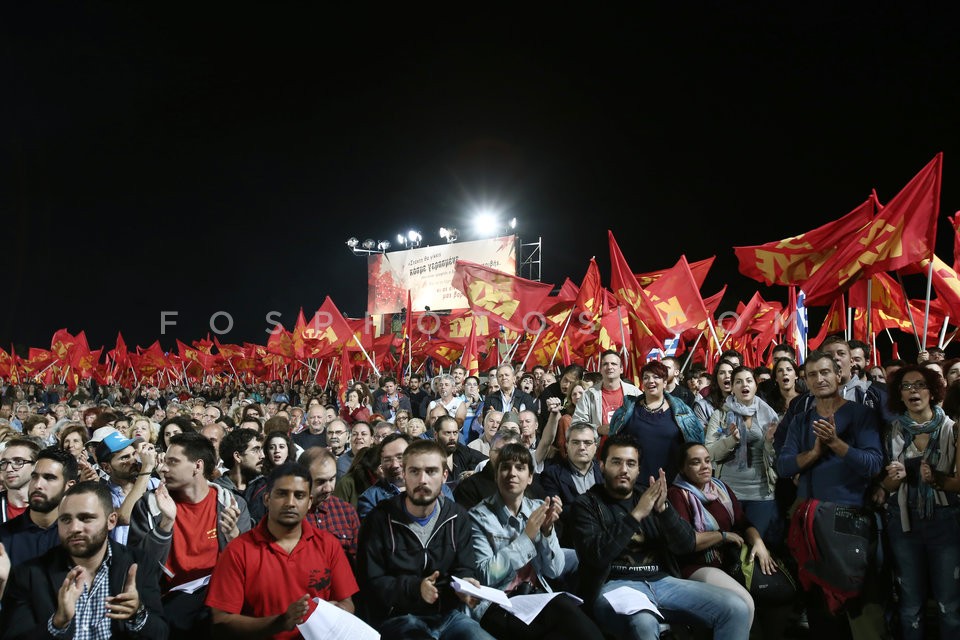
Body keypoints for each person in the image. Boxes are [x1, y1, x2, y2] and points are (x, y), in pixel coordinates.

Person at [571, 433, 751, 639]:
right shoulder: (586, 505)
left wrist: (664, 510)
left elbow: (686, 544)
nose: (623, 470)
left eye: (631, 464)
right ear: (601, 466)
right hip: (616, 586)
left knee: (737, 608)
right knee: (644, 624)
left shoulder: (651, 495)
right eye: (616, 462)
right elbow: (594, 556)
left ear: (638, 469)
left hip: (663, 581)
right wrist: (636, 514)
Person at [777, 349, 884, 638]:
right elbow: (784, 466)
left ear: (839, 375)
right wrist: (814, 452)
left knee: (860, 604)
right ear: (806, 382)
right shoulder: (801, 420)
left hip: (850, 520)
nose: (819, 379)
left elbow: (873, 465)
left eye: (825, 372)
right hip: (809, 520)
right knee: (819, 604)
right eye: (812, 375)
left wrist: (836, 443)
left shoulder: (861, 415)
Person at [357, 439, 495, 639]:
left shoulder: (457, 517)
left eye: (431, 471)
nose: (422, 479)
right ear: (404, 474)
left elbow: (464, 566)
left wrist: (465, 584)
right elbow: (371, 582)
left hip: (447, 616)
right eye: (414, 471)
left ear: (444, 475)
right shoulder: (378, 520)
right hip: (398, 617)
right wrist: (415, 589)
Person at [206, 463, 358, 640]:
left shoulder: (328, 544)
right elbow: (221, 621)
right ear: (266, 499)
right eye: (282, 494)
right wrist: (280, 622)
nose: (290, 503)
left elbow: (346, 602)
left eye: (299, 496)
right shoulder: (238, 551)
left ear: (309, 502)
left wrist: (337, 613)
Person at [468, 443, 604, 640]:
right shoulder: (478, 517)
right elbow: (485, 575)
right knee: (564, 615)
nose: (512, 473)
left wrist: (548, 533)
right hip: (497, 603)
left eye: (520, 468)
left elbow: (554, 570)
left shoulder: (538, 508)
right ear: (496, 475)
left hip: (535, 597)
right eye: (505, 467)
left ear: (530, 477)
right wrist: (527, 538)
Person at [0, 481, 169, 639]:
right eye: (65, 519)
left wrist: (137, 614)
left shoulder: (138, 563)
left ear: (111, 521)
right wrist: (57, 623)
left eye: (86, 518)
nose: (74, 528)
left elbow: (161, 633)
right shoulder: (29, 573)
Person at [128, 431, 252, 637]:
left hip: (218, 598)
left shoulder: (231, 504)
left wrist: (234, 537)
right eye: (164, 461)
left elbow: (249, 567)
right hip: (168, 602)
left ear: (198, 466)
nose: (163, 468)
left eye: (173, 462)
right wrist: (165, 525)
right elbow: (140, 569)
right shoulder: (150, 505)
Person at [668, 443, 789, 638]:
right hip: (697, 564)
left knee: (778, 593)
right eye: (695, 463)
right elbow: (687, 541)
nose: (705, 466)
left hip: (730, 561)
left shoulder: (719, 487)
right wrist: (722, 536)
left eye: (707, 461)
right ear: (682, 468)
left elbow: (742, 522)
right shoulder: (677, 494)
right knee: (743, 602)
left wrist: (759, 543)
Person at [879, 365, 960, 639]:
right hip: (904, 524)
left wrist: (937, 479)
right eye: (906, 386)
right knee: (910, 604)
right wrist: (896, 478)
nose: (914, 390)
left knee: (950, 604)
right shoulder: (892, 432)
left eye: (920, 385)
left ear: (934, 391)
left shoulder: (953, 429)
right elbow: (886, 486)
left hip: (946, 522)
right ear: (898, 395)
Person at [704, 366, 780, 542]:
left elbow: (775, 458)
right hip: (727, 493)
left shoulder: (769, 415)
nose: (744, 385)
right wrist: (731, 440)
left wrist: (769, 441)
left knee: (756, 545)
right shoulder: (720, 415)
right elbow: (709, 453)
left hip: (761, 493)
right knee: (731, 547)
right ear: (732, 387)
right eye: (738, 381)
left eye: (748, 380)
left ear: (755, 386)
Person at [609, 360, 703, 482]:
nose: (650, 381)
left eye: (656, 377)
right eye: (646, 377)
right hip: (633, 482)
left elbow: (696, 445)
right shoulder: (628, 409)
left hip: (672, 483)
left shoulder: (683, 411)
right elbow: (614, 442)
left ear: (665, 383)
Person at [0, 447, 79, 569]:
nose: (37, 485)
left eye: (49, 478)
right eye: (34, 477)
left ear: (69, 486)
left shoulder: (78, 536)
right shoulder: (4, 536)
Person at [540, 421, 603, 547]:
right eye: (575, 442)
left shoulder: (605, 472)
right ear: (567, 445)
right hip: (570, 543)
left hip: (605, 541)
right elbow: (557, 513)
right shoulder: (551, 475)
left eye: (587, 442)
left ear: (595, 446)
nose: (581, 447)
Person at [301, 447, 360, 563]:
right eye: (320, 482)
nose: (329, 488)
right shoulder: (291, 514)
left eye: (332, 479)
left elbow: (359, 558)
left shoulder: (347, 511)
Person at [573, 350, 640, 436]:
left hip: (629, 445)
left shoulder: (635, 393)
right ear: (600, 369)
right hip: (600, 447)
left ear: (621, 369)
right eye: (605, 364)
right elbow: (577, 424)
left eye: (614, 364)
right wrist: (597, 429)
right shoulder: (588, 395)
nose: (609, 367)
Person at [435, 415, 486, 488]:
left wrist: (476, 472)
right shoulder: (429, 457)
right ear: (436, 435)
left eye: (455, 433)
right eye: (448, 433)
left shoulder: (461, 450)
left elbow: (488, 461)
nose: (452, 437)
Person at [0, 438, 39, 523]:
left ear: (35, 466)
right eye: (4, 463)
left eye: (18, 461)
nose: (9, 469)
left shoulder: (52, 507)